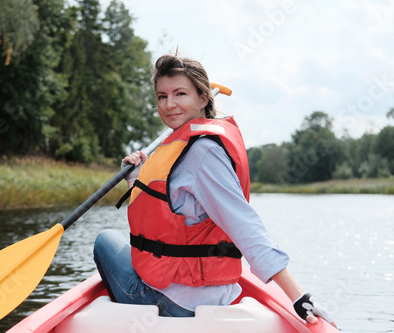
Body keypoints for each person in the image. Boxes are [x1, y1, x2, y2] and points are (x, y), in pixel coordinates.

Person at [93, 54, 337, 328]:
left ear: (203, 98)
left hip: (174, 305)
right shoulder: (188, 146)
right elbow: (158, 216)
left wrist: (298, 296)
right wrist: (136, 178)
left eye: (180, 94)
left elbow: (245, 226)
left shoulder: (202, 153)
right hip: (206, 292)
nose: (169, 105)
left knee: (105, 240)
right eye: (162, 96)